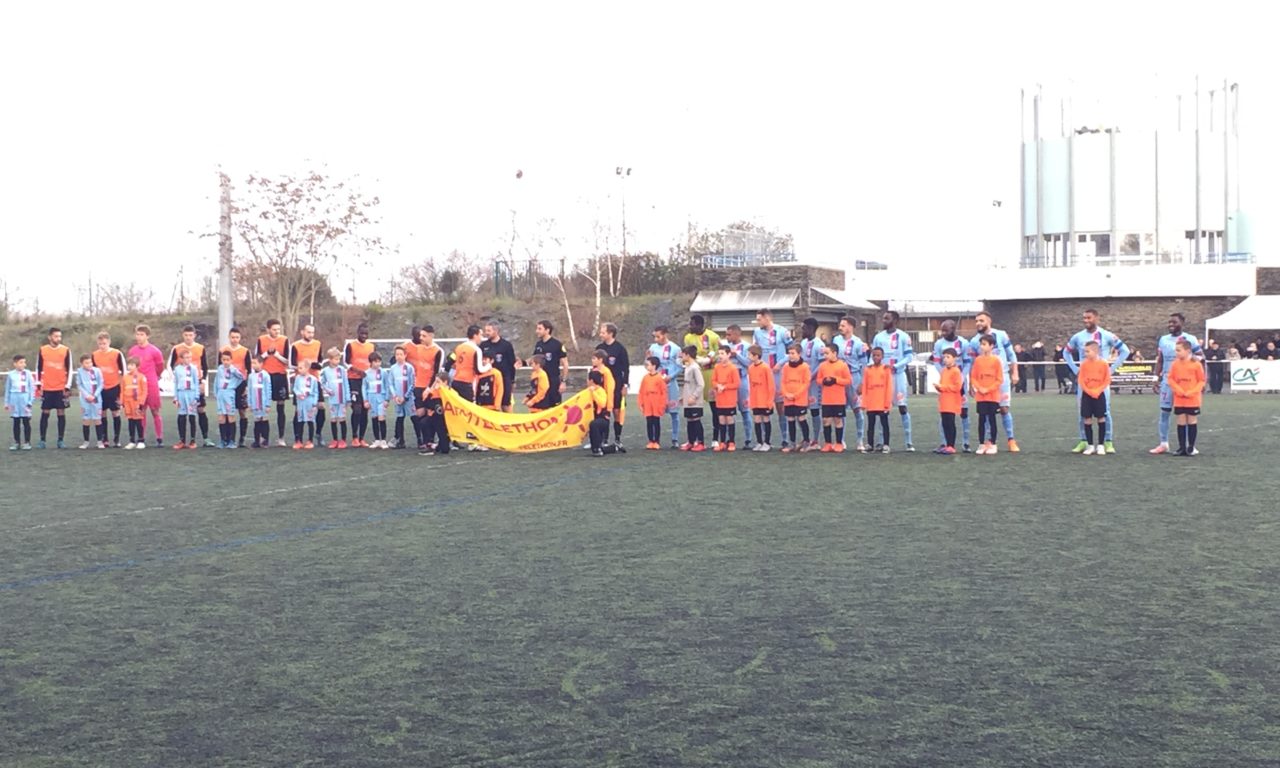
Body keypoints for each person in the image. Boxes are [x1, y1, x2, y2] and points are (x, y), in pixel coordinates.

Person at [1063, 309, 1130, 454]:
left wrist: (1111, 369)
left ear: (1096, 318)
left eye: (1089, 318)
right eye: (1084, 318)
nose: (1086, 320)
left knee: (1105, 411)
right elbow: (1065, 352)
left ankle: (1107, 441)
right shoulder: (1078, 337)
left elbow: (1125, 351)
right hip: (1085, 382)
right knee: (1083, 411)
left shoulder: (1107, 335)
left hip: (1101, 383)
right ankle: (1084, 441)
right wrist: (1075, 369)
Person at [1150, 313, 1204, 455]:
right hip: (1168, 382)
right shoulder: (1163, 339)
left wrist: (1188, 360)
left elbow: (1201, 357)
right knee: (1164, 412)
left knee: (1186, 414)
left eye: (1174, 322)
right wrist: (1156, 378)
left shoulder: (1190, 339)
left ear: (1182, 323)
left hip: (1186, 384)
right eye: (1169, 322)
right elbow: (1160, 359)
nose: (1170, 325)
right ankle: (1163, 443)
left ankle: (1189, 445)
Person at [967, 311, 1020, 453]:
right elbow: (973, 364)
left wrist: (1015, 371)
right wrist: (971, 383)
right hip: (984, 382)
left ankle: (1011, 440)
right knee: (986, 411)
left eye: (981, 320)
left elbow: (1011, 354)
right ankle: (988, 442)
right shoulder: (973, 341)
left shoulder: (1001, 334)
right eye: (977, 321)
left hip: (1001, 378)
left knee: (1004, 409)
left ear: (989, 321)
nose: (978, 323)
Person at [870, 310, 914, 451]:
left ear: (895, 320)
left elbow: (909, 357)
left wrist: (895, 366)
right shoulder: (878, 337)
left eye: (886, 318)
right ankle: (882, 441)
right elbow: (873, 356)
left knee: (902, 407)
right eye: (883, 318)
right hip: (882, 378)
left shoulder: (903, 336)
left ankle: (908, 441)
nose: (883, 321)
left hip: (898, 376)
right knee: (882, 409)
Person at [753, 308, 793, 449]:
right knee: (762, 407)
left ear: (767, 318)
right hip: (764, 374)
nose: (758, 322)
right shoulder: (757, 333)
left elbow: (792, 351)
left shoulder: (782, 331)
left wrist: (780, 363)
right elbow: (755, 351)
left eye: (759, 319)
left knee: (781, 407)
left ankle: (785, 438)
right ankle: (763, 440)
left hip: (778, 374)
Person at [168, 325, 214, 447]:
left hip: (196, 384)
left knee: (200, 409)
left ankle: (205, 438)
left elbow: (205, 366)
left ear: (194, 335)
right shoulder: (177, 348)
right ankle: (182, 440)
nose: (188, 337)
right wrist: (177, 379)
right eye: (186, 335)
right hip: (183, 387)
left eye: (191, 335)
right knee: (183, 413)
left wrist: (203, 381)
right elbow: (170, 365)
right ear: (183, 335)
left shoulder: (200, 348)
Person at [930, 319, 971, 452]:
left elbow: (967, 362)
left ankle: (966, 443)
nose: (943, 333)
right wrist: (944, 374)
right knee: (945, 414)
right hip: (946, 382)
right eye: (942, 330)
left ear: (953, 330)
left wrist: (961, 377)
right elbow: (936, 362)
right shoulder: (939, 344)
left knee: (963, 412)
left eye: (945, 330)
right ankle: (945, 443)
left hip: (959, 382)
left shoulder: (963, 343)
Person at [1069, 340, 1111, 456]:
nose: (1085, 354)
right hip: (1087, 395)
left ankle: (1101, 445)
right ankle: (1090, 445)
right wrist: (1089, 391)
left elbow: (1107, 379)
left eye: (1087, 351)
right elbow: (1081, 380)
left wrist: (1098, 390)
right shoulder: (1084, 364)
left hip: (1099, 394)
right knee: (1087, 419)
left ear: (1095, 351)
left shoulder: (1103, 364)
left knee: (1101, 418)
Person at [127, 325, 167, 447]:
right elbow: (131, 367)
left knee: (155, 411)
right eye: (137, 334)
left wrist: (155, 377)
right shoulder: (132, 351)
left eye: (141, 334)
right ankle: (141, 438)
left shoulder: (155, 351)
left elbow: (160, 367)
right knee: (140, 411)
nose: (138, 337)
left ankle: (159, 438)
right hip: (137, 386)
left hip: (151, 384)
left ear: (147, 336)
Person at [832, 316, 867, 451]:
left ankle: (860, 440)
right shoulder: (836, 340)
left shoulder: (858, 343)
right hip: (840, 379)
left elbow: (864, 364)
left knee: (857, 409)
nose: (840, 328)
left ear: (851, 327)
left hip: (854, 377)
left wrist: (862, 382)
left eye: (843, 325)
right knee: (840, 410)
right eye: (840, 325)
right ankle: (841, 441)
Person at [255, 319, 292, 446]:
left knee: (280, 406)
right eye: (274, 329)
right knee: (263, 406)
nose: (277, 332)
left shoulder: (284, 340)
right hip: (265, 376)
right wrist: (266, 354)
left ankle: (281, 437)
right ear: (268, 329)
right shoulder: (261, 340)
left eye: (278, 329)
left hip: (280, 375)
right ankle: (263, 437)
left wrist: (276, 355)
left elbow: (288, 361)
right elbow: (257, 359)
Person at [406, 326, 444, 448]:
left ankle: (431, 441)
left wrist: (429, 388)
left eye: (424, 336)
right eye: (420, 335)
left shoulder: (438, 351)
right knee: (419, 414)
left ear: (431, 336)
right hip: (418, 386)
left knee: (430, 414)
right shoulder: (418, 349)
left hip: (431, 388)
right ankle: (424, 440)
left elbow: (437, 373)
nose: (421, 338)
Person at [647, 325, 684, 449]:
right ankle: (654, 439)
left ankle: (675, 438)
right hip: (657, 385)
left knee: (674, 412)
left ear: (665, 335)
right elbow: (647, 365)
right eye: (654, 337)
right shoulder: (652, 348)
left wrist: (671, 376)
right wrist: (646, 358)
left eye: (658, 336)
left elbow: (679, 366)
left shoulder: (675, 348)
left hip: (670, 383)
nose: (656, 339)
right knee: (655, 413)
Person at [36, 327, 72, 449]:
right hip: (47, 387)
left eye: (59, 336)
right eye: (56, 336)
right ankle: (42, 440)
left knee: (61, 412)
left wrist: (67, 386)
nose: (58, 339)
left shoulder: (65, 350)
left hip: (60, 387)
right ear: (50, 337)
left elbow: (70, 368)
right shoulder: (43, 350)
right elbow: (38, 368)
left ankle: (60, 440)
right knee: (45, 412)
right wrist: (38, 384)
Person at [1168, 339, 1206, 456]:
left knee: (1192, 421)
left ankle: (1191, 447)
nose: (1177, 353)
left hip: (1192, 399)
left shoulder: (1196, 364)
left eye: (1179, 350)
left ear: (1187, 350)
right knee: (1181, 422)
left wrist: (1192, 391)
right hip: (1179, 399)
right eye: (1176, 350)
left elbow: (1201, 381)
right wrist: (1178, 390)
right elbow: (1171, 379)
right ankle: (1182, 447)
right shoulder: (1175, 364)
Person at [595, 322, 630, 448]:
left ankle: (617, 438)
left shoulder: (620, 348)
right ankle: (603, 439)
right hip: (601, 386)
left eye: (603, 332)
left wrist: (625, 385)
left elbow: (625, 368)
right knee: (602, 411)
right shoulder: (599, 347)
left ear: (610, 334)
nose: (601, 334)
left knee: (616, 411)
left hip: (616, 385)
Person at [969, 334, 1004, 455]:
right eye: (981, 344)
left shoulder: (996, 361)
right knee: (981, 419)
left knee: (992, 419)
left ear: (991, 346)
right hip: (981, 396)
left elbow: (999, 379)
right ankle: (981, 444)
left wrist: (988, 389)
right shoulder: (978, 360)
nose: (982, 346)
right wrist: (979, 388)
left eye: (984, 344)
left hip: (993, 396)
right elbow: (973, 377)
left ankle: (993, 443)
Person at [290, 324, 325, 445]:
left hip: (315, 381)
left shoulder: (317, 344)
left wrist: (316, 365)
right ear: (302, 332)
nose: (311, 335)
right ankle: (297, 439)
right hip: (300, 383)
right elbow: (291, 364)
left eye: (312, 332)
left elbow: (320, 361)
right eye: (308, 332)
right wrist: (303, 367)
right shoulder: (295, 346)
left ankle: (318, 434)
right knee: (298, 411)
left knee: (320, 407)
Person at [796, 317, 827, 451]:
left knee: (814, 410)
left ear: (811, 329)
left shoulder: (819, 345)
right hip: (802, 383)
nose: (802, 330)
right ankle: (806, 437)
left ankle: (816, 439)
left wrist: (810, 377)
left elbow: (821, 364)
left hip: (813, 383)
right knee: (799, 410)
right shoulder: (803, 343)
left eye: (804, 328)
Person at [91, 332, 127, 447]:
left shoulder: (117, 354)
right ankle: (104, 438)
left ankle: (116, 439)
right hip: (101, 388)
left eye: (104, 343)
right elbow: (93, 372)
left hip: (114, 387)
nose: (102, 346)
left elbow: (124, 371)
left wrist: (122, 387)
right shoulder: (94, 355)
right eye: (100, 344)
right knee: (102, 413)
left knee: (116, 413)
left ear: (109, 342)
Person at [816, 342, 852, 452]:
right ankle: (827, 443)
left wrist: (836, 380)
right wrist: (824, 381)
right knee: (826, 420)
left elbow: (848, 380)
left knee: (838, 420)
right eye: (824, 353)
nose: (825, 356)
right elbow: (818, 380)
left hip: (838, 399)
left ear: (834, 353)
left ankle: (839, 443)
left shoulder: (842, 365)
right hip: (826, 399)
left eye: (827, 353)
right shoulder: (822, 366)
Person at [722, 324, 754, 448]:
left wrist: (737, 355)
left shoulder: (746, 346)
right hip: (728, 385)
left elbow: (749, 364)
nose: (727, 337)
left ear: (737, 334)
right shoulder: (725, 347)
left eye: (729, 334)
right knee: (727, 412)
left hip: (742, 382)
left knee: (745, 411)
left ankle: (748, 440)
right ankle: (729, 440)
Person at [343, 323, 375, 446]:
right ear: (358, 332)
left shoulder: (371, 346)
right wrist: (357, 370)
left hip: (366, 381)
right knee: (356, 409)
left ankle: (362, 438)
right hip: (353, 380)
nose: (364, 336)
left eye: (366, 334)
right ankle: (354, 437)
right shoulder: (350, 345)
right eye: (362, 333)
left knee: (364, 410)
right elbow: (345, 362)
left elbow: (373, 363)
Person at [221, 327, 252, 447]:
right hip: (228, 386)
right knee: (228, 412)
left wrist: (246, 386)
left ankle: (242, 438)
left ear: (240, 338)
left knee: (242, 411)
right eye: (233, 337)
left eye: (237, 337)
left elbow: (249, 370)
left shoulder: (245, 351)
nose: (235, 340)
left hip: (240, 385)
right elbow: (221, 369)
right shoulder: (223, 350)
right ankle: (229, 438)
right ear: (229, 337)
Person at [780, 344, 812, 453]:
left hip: (800, 398)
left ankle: (806, 442)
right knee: (790, 419)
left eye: (793, 353)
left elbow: (806, 383)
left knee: (801, 418)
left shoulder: (804, 367)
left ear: (799, 354)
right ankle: (792, 443)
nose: (791, 355)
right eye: (789, 353)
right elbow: (783, 382)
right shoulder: (785, 367)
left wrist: (796, 394)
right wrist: (786, 393)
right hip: (788, 398)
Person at [481, 321, 517, 413]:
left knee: (505, 404)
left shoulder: (506, 345)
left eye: (489, 330)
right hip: (488, 380)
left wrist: (512, 381)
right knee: (490, 405)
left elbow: (512, 364)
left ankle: (509, 425)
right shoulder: (484, 345)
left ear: (496, 331)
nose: (486, 333)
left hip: (504, 378)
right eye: (486, 330)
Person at [861, 346, 892, 453]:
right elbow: (865, 386)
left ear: (882, 356)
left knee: (884, 424)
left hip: (882, 401)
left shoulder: (886, 369)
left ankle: (886, 444)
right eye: (874, 355)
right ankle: (870, 444)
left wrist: (887, 402)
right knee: (870, 424)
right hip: (871, 401)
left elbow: (889, 387)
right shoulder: (867, 369)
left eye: (878, 355)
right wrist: (864, 402)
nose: (876, 357)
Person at [213, 349, 246, 448]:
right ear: (221, 360)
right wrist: (216, 392)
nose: (226, 362)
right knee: (221, 417)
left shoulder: (234, 369)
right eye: (224, 360)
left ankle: (232, 441)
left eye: (228, 360)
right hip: (220, 394)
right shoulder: (220, 369)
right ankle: (223, 440)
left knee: (230, 416)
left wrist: (233, 383)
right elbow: (216, 380)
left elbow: (242, 378)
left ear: (231, 360)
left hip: (229, 393)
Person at [531, 320, 569, 406]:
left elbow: (565, 364)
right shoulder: (538, 344)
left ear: (547, 330)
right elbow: (533, 359)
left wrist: (563, 382)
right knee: (541, 406)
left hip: (553, 381)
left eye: (539, 329)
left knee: (555, 407)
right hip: (540, 380)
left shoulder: (557, 344)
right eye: (537, 328)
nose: (537, 331)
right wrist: (522, 362)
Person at [933, 348, 963, 454]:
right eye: (944, 357)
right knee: (945, 423)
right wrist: (938, 387)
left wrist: (943, 387)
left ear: (954, 358)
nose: (945, 359)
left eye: (948, 357)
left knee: (950, 423)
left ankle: (951, 445)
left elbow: (957, 387)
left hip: (951, 402)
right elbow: (943, 386)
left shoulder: (956, 371)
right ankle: (947, 444)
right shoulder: (944, 370)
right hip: (944, 401)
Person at [746, 344, 776, 452]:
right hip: (755, 399)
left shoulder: (765, 368)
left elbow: (771, 385)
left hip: (765, 399)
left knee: (766, 419)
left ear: (756, 356)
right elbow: (750, 384)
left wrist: (770, 400)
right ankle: (759, 442)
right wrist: (749, 398)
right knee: (757, 419)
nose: (748, 356)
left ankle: (767, 442)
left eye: (750, 354)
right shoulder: (750, 368)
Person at [171, 349, 202, 450]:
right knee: (181, 416)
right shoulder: (177, 369)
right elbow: (175, 384)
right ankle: (182, 440)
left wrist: (197, 396)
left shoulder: (193, 368)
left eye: (190, 357)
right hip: (181, 394)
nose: (188, 359)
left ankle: (192, 440)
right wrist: (175, 397)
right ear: (182, 359)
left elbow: (196, 382)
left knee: (192, 416)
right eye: (186, 357)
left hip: (191, 394)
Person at [711, 346, 741, 451]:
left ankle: (731, 442)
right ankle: (722, 441)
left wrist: (725, 387)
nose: (720, 356)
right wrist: (717, 386)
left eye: (723, 353)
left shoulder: (733, 368)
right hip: (720, 398)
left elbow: (737, 384)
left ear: (728, 355)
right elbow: (713, 380)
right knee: (721, 419)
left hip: (730, 398)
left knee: (729, 419)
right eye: (719, 353)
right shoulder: (717, 367)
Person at [449, 325, 489, 403]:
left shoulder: (459, 347)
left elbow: (450, 361)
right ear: (475, 335)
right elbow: (479, 370)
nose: (481, 337)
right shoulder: (476, 350)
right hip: (467, 383)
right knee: (468, 410)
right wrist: (488, 366)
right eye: (480, 335)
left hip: (456, 381)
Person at [320, 347, 351, 448]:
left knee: (342, 418)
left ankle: (343, 440)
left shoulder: (342, 370)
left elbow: (346, 383)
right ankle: (334, 440)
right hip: (332, 399)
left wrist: (348, 398)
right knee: (333, 419)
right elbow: (322, 382)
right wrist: (327, 390)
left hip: (342, 398)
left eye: (338, 359)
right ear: (330, 359)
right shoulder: (325, 371)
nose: (337, 361)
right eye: (335, 359)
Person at [386, 345, 415, 449]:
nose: (399, 356)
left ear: (405, 355)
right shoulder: (393, 369)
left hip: (408, 398)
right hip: (398, 399)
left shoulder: (410, 368)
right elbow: (390, 383)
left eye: (401, 354)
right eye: (397, 354)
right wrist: (395, 396)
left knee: (414, 418)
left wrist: (406, 396)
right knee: (399, 418)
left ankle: (421, 440)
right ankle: (400, 440)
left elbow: (412, 383)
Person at [74, 354, 106, 449]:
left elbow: (101, 384)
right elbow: (79, 385)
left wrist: (94, 395)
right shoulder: (79, 372)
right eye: (86, 363)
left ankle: (100, 441)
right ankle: (86, 442)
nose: (89, 364)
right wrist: (86, 395)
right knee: (86, 420)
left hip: (96, 399)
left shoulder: (97, 371)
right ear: (82, 364)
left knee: (97, 419)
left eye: (90, 362)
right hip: (85, 400)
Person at [5, 354, 36, 451]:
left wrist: (30, 401)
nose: (23, 364)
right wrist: (7, 403)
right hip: (14, 399)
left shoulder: (27, 374)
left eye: (24, 362)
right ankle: (16, 442)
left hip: (24, 398)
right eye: (21, 362)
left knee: (26, 421)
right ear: (15, 364)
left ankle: (27, 442)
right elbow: (8, 389)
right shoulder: (11, 374)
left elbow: (32, 388)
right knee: (16, 421)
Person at [361, 351, 391, 449]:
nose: (378, 364)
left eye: (379, 361)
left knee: (381, 418)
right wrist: (365, 400)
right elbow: (364, 387)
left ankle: (383, 440)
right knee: (374, 418)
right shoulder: (366, 373)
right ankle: (377, 440)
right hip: (371, 397)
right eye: (375, 362)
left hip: (381, 397)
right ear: (371, 362)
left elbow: (387, 386)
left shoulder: (384, 372)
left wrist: (387, 399)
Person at [679, 345, 706, 452]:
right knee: (689, 420)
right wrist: (683, 397)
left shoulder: (695, 368)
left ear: (688, 355)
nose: (681, 356)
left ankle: (700, 442)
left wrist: (694, 396)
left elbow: (701, 384)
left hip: (695, 401)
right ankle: (691, 441)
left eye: (683, 354)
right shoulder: (688, 367)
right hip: (688, 400)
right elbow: (688, 385)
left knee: (696, 420)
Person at [638, 356, 667, 450]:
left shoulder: (659, 378)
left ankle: (656, 441)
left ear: (654, 366)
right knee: (649, 422)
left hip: (656, 401)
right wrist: (641, 403)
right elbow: (641, 391)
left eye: (648, 364)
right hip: (647, 401)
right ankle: (651, 440)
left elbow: (663, 392)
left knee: (656, 421)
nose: (647, 366)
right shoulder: (645, 378)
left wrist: (662, 404)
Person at [121, 357, 149, 450]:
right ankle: (132, 441)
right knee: (130, 421)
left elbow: (144, 391)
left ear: (137, 366)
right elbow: (122, 390)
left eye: (132, 365)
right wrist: (122, 402)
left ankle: (141, 440)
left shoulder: (142, 377)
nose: (130, 367)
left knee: (138, 421)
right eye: (129, 365)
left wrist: (141, 402)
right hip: (128, 402)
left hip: (137, 402)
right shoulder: (125, 377)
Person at [245, 354, 273, 448]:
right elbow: (249, 389)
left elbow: (268, 389)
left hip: (263, 402)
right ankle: (257, 440)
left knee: (264, 419)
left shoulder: (265, 375)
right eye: (252, 363)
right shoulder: (251, 376)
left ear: (261, 364)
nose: (253, 365)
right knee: (257, 420)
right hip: (255, 402)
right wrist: (249, 403)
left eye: (255, 363)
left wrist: (268, 404)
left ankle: (265, 440)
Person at [292, 361, 321, 450]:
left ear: (307, 368)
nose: (299, 370)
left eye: (301, 368)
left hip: (309, 402)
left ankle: (310, 440)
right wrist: (298, 394)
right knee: (300, 421)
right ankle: (299, 441)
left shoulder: (313, 379)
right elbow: (295, 388)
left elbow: (316, 391)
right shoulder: (297, 378)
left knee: (310, 421)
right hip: (301, 403)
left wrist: (314, 402)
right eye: (298, 368)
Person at [587, 370, 612, 457]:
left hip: (603, 419)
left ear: (591, 381)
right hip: (594, 417)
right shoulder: (588, 391)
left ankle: (597, 447)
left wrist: (593, 393)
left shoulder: (601, 391)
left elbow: (602, 403)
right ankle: (611, 448)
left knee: (594, 424)